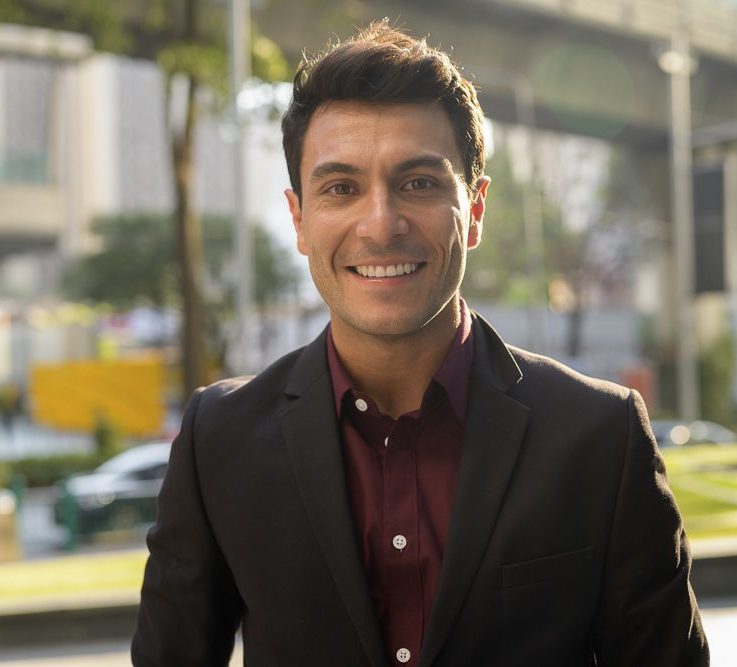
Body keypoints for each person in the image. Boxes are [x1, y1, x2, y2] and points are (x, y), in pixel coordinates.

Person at [132, 21, 709, 667]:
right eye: (341, 188)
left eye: (419, 183)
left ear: (477, 208)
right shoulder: (221, 439)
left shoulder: (598, 435)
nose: (380, 224)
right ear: (299, 219)